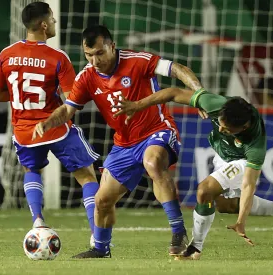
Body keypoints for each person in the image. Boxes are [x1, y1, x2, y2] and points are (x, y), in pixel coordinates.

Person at [32, 25, 207, 258]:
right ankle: (101, 249)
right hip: (124, 144)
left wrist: (200, 94)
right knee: (102, 200)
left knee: (153, 162)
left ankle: (178, 231)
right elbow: (67, 110)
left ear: (112, 46)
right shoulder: (86, 77)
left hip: (157, 130)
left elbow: (178, 69)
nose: (95, 60)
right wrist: (47, 122)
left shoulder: (138, 60)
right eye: (89, 55)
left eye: (100, 53)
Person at [113, 87, 273, 260]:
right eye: (220, 123)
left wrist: (241, 222)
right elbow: (173, 93)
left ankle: (195, 247)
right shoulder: (217, 104)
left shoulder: (255, 146)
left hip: (242, 160)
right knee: (223, 205)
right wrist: (138, 104)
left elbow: (248, 185)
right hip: (222, 156)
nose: (221, 128)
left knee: (204, 191)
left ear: (243, 127)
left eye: (227, 130)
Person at [0, 2, 100, 245]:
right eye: (53, 19)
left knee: (32, 170)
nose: (56, 23)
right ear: (44, 25)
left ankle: (38, 220)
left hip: (24, 131)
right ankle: (97, 236)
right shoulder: (57, 57)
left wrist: (19, 97)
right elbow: (71, 100)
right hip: (54, 127)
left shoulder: (6, 54)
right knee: (87, 177)